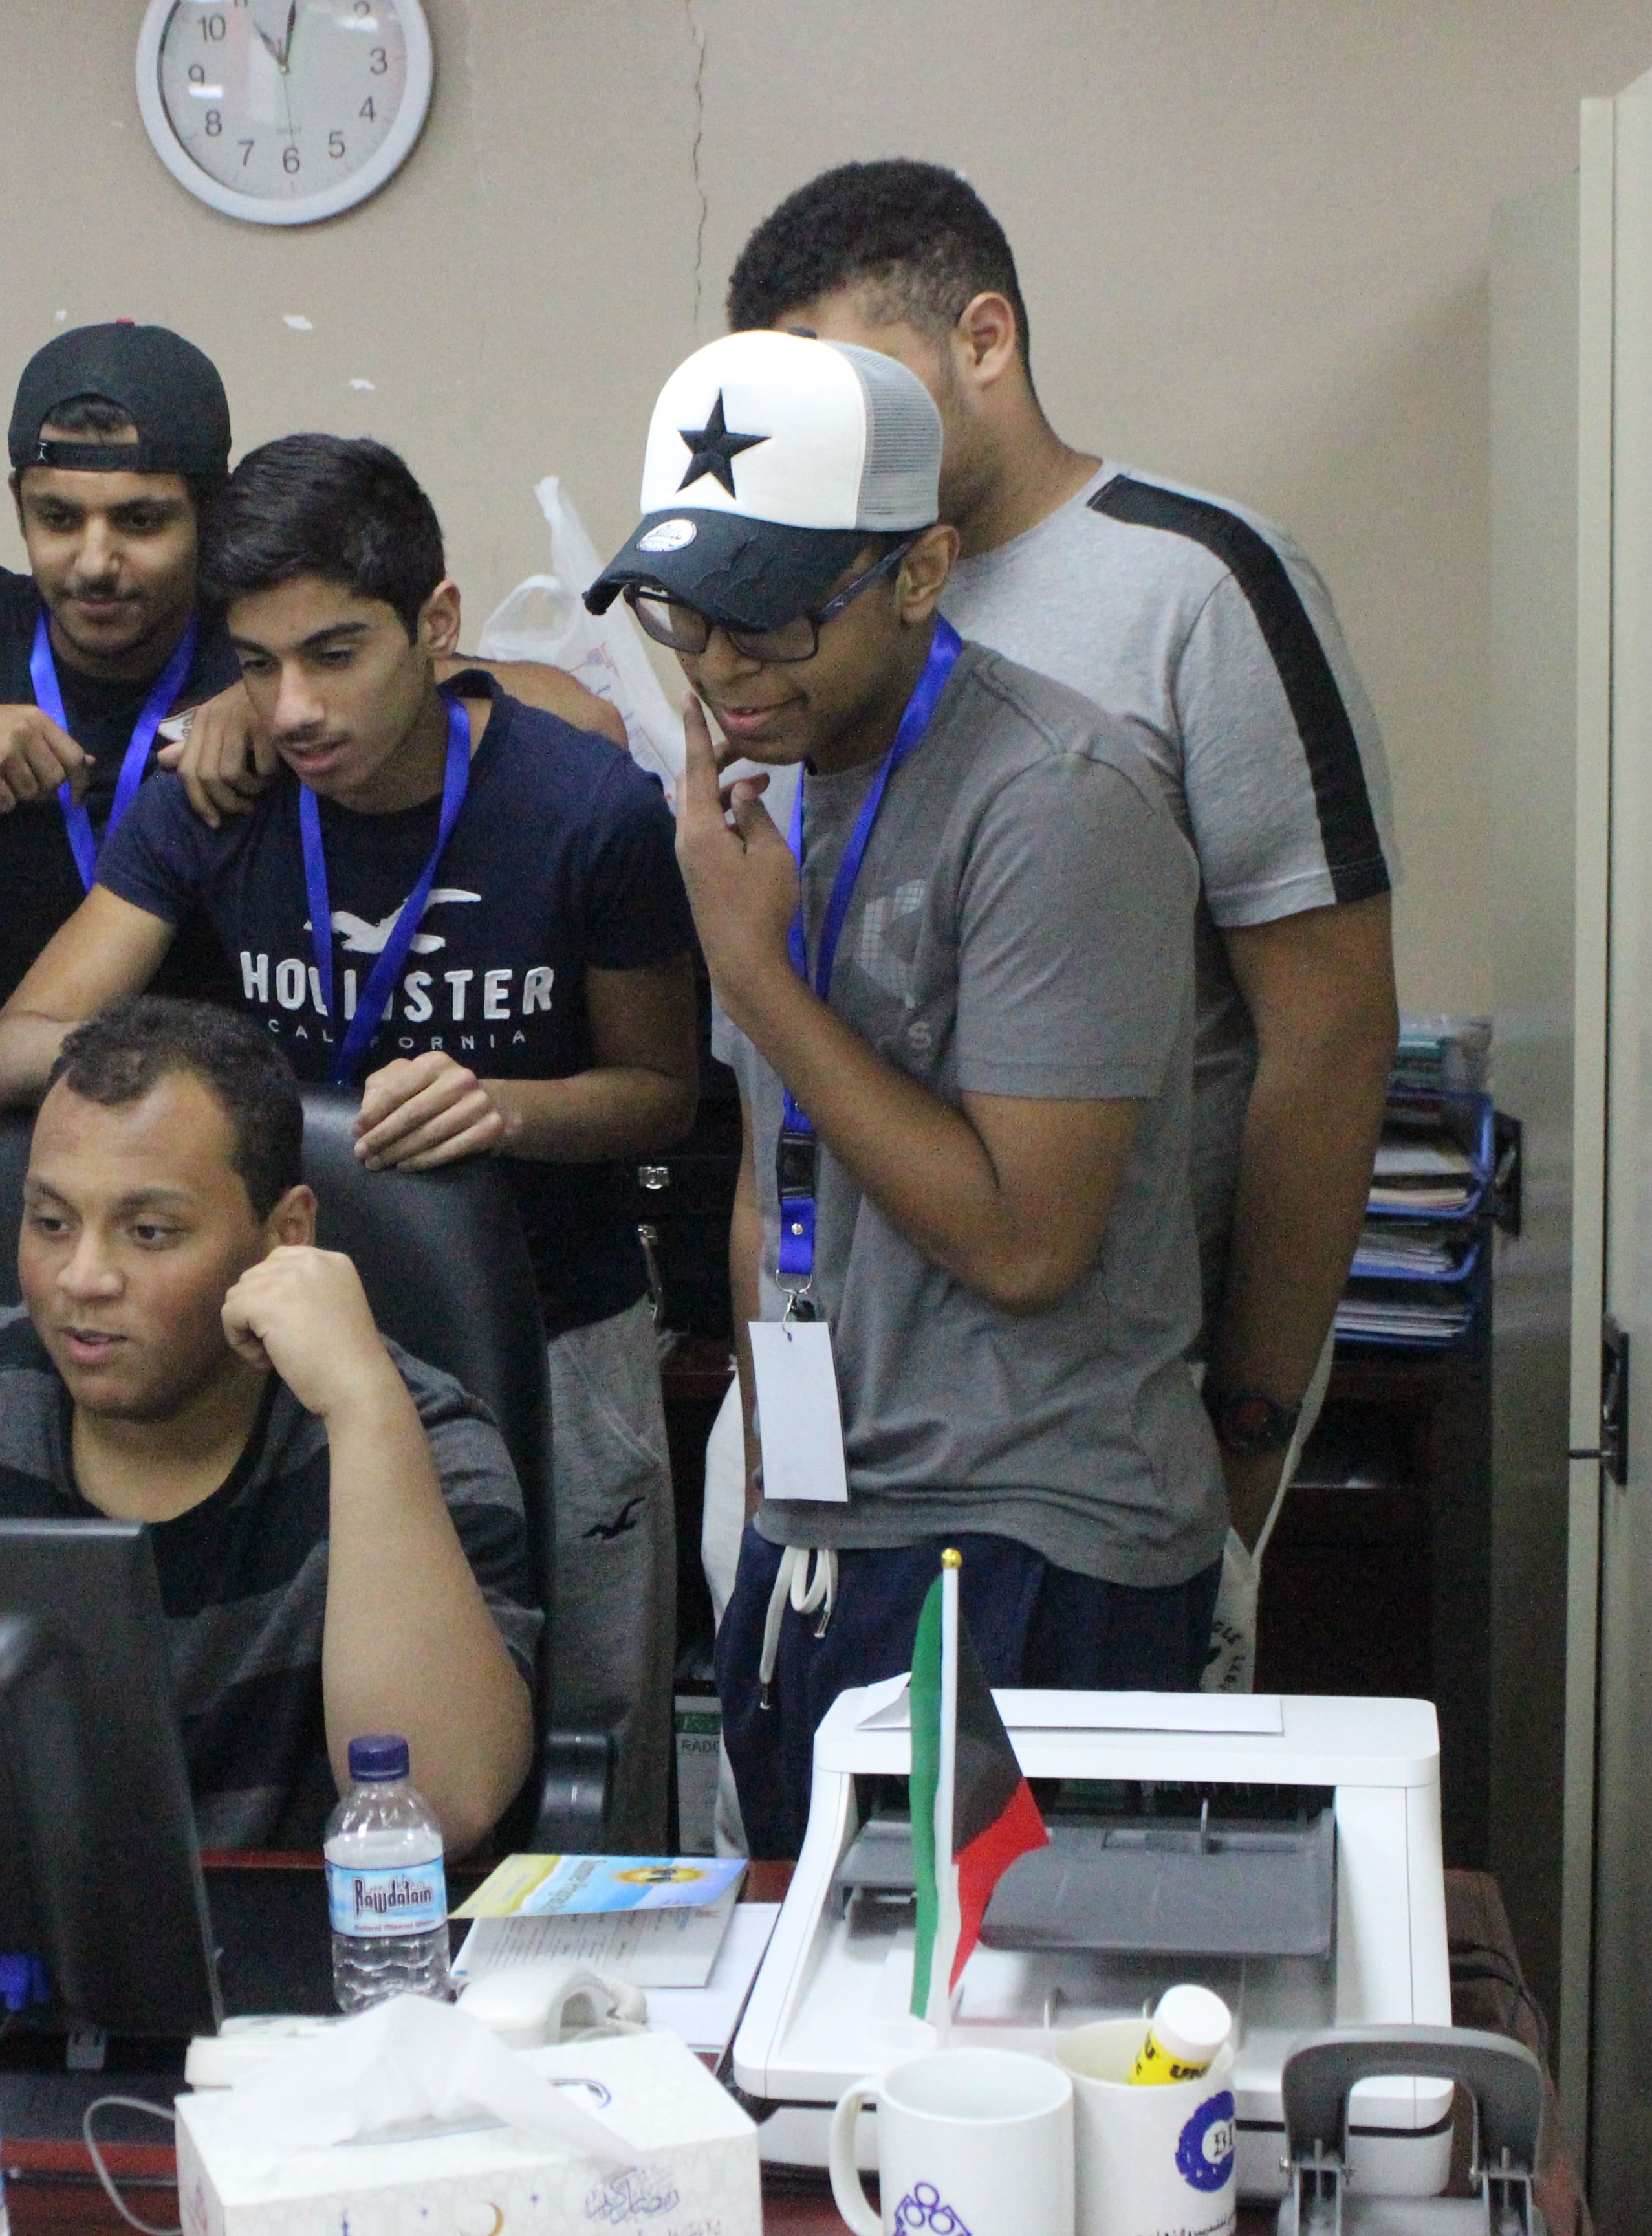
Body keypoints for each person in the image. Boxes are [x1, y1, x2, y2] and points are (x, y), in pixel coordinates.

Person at [715, 161, 1402, 1681]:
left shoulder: (1188, 588)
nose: (817, 440)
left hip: (1089, 1428)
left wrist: (1247, 1425)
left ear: (984, 340)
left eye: (847, 383)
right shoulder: (780, 615)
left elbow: (1329, 1039)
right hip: (825, 1424)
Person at [0, 435, 699, 1851]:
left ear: (436, 625)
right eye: (256, 666)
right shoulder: (215, 798)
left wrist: (510, 1108)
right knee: (369, 1756)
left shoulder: (582, 808)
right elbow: (10, 1052)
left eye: (334, 654)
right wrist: (199, 1093)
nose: (295, 708)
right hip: (277, 1349)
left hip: (557, 1323)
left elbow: (660, 1092)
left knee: (594, 1737)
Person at [587, 330, 1214, 1854]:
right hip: (816, 1520)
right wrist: (771, 1476)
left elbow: (1026, 1241)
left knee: (978, 1993)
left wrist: (754, 976)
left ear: (920, 572)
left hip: (1025, 1529)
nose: (720, 665)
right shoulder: (768, 788)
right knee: (800, 1978)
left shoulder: (1058, 797)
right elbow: (767, 1173)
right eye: (683, 612)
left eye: (772, 617)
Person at [0, 996, 535, 1850]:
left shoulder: (417, 1440)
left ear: (285, 1236)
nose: (82, 1277)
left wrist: (365, 1410)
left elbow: (439, 1809)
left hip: (311, 1932)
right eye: (50, 1222)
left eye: (149, 1232)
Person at [0, 322, 630, 1029]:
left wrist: (262, 690)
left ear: (212, 511)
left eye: (140, 521)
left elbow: (586, 721)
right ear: (17, 502)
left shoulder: (261, 641)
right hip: (2, 1089)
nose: (94, 562)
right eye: (57, 518)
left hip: (228, 1110)